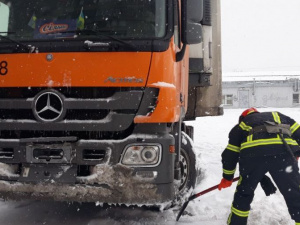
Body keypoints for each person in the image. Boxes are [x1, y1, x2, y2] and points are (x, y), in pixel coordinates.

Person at [218, 107, 300, 225]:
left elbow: (230, 154)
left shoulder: (241, 126)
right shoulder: (278, 116)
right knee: (294, 192)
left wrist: (227, 177)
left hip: (253, 156)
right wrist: (296, 153)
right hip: (283, 154)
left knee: (244, 193)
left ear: (242, 118)